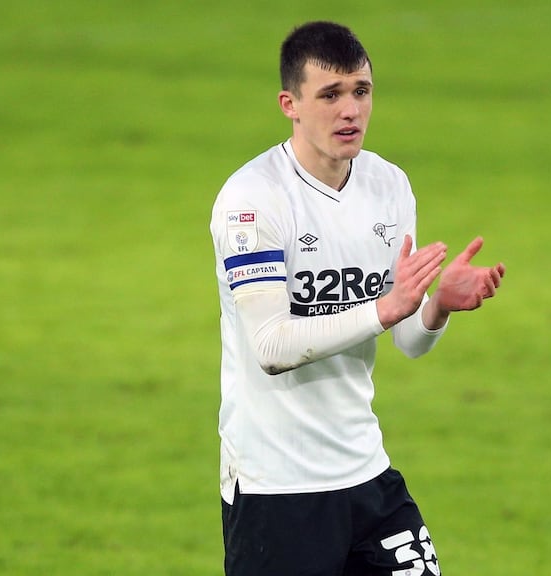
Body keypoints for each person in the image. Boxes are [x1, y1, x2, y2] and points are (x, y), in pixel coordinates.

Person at [209, 21, 506, 575]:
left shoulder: (389, 186)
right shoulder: (253, 201)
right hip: (278, 487)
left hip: (366, 473)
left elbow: (408, 340)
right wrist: (382, 308)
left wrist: (437, 305)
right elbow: (271, 347)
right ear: (289, 104)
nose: (350, 111)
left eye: (361, 91)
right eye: (330, 95)